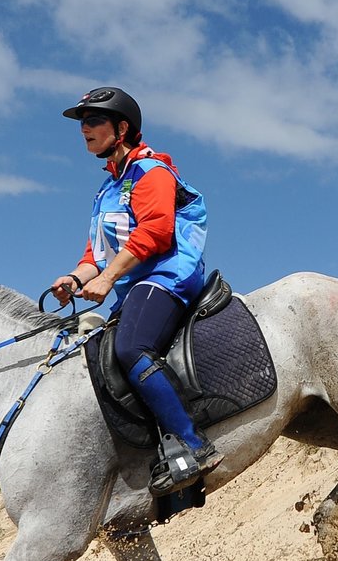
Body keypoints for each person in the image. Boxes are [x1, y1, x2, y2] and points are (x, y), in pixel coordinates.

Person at [49, 86, 220, 495]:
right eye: (82, 124)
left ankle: (195, 445)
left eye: (93, 122)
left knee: (130, 349)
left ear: (121, 128)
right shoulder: (106, 191)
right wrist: (75, 279)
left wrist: (107, 280)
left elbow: (157, 232)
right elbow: (95, 255)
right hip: (134, 285)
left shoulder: (152, 173)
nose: (84, 130)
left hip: (168, 274)